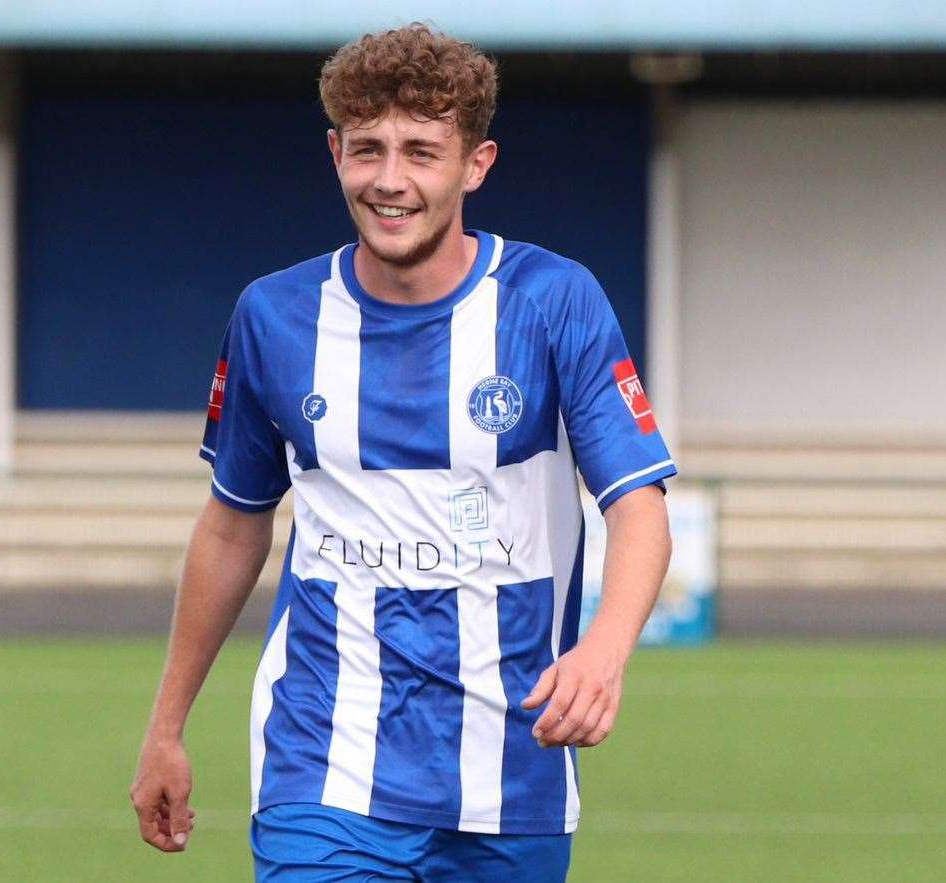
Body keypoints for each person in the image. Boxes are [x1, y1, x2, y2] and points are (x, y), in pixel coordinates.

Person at [131, 22, 675, 882]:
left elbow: (637, 503)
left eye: (421, 152)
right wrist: (165, 726)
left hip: (512, 762)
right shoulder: (273, 316)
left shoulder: (552, 301)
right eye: (367, 149)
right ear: (334, 152)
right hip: (324, 757)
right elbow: (234, 524)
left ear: (476, 164)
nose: (390, 180)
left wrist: (604, 649)